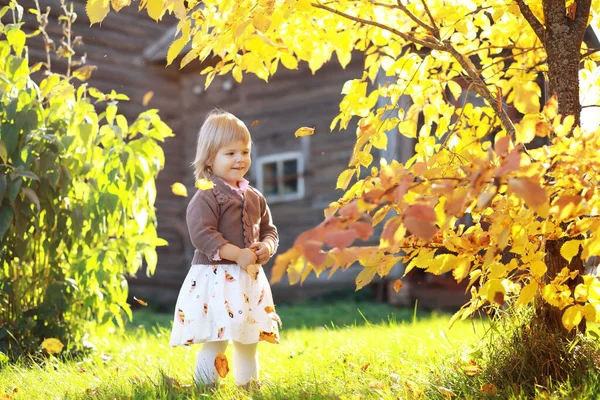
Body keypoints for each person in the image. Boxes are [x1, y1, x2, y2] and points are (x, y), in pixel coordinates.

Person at [169, 110, 281, 389]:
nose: (239, 159)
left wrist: (266, 247)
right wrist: (238, 254)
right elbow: (202, 235)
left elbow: (269, 230)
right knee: (217, 339)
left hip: (247, 280)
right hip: (217, 279)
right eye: (230, 153)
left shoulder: (255, 197)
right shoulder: (207, 194)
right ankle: (204, 388)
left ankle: (248, 386)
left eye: (244, 151)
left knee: (249, 339)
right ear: (210, 158)